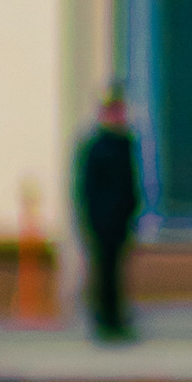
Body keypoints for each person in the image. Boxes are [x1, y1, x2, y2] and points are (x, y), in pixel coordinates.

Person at [75, 86, 142, 342]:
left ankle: (117, 318)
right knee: (103, 271)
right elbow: (87, 187)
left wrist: (132, 210)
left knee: (117, 271)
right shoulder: (96, 146)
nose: (118, 117)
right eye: (113, 112)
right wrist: (89, 218)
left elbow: (131, 182)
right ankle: (104, 320)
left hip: (121, 220)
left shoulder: (126, 143)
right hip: (101, 220)